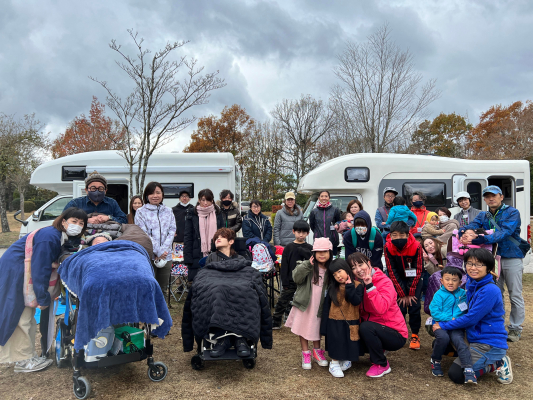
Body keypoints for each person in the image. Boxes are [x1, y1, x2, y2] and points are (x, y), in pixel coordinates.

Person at [0, 207, 88, 372]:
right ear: (63, 221)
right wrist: (42, 298)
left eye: (81, 223)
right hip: (17, 270)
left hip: (23, 269)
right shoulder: (50, 237)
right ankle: (23, 360)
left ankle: (28, 355)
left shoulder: (60, 236)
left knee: (28, 316)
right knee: (21, 315)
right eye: (74, 221)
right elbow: (40, 268)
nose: (77, 225)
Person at [434, 248, 513, 385]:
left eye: (478, 264)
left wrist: (443, 324)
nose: (473, 268)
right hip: (472, 334)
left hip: (487, 342)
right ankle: (473, 356)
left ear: (488, 267)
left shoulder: (490, 290)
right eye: (469, 263)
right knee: (441, 342)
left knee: (457, 375)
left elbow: (471, 318)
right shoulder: (471, 282)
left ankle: (498, 363)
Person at [460, 185, 526, 342]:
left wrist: (484, 239)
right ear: (484, 199)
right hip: (492, 259)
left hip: (511, 256)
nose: (491, 198)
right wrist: (462, 232)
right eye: (487, 196)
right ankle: (498, 325)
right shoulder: (483, 215)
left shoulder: (512, 212)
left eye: (494, 195)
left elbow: (506, 232)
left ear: (501, 197)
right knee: (496, 292)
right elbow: (472, 225)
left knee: (515, 294)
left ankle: (515, 328)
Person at [349, 253, 408, 378]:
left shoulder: (384, 281)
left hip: (395, 333)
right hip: (375, 329)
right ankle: (378, 349)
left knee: (366, 327)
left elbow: (381, 309)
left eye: (361, 264)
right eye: (354, 267)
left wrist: (370, 287)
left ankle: (381, 364)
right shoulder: (357, 284)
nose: (358, 270)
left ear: (369, 263)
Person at [285, 238, 332, 370]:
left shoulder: (331, 269)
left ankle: (317, 351)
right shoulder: (307, 265)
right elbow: (296, 278)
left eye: (325, 251)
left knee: (317, 327)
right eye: (318, 251)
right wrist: (307, 265)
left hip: (320, 305)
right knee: (303, 327)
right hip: (305, 304)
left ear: (330, 253)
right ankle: (305, 353)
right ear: (313, 253)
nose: (322, 254)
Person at [429, 267, 476, 383]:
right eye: (447, 279)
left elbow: (464, 310)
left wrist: (456, 320)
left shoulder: (463, 294)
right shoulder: (439, 295)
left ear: (460, 283)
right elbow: (434, 311)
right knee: (443, 338)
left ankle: (468, 368)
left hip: (456, 325)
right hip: (440, 324)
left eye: (454, 280)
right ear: (441, 281)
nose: (450, 282)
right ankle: (435, 360)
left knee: (459, 340)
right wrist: (450, 318)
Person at [384, 221, 424, 350]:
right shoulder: (388, 247)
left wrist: (410, 292)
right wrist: (402, 294)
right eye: (394, 235)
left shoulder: (416, 246)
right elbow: (392, 271)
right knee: (399, 307)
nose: (398, 238)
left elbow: (418, 269)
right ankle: (400, 333)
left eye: (402, 235)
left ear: (407, 234)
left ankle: (415, 335)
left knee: (414, 306)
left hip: (415, 279)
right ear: (390, 235)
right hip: (398, 279)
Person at [320, 259, 363, 378]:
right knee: (336, 342)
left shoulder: (357, 286)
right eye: (334, 274)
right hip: (334, 321)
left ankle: (347, 359)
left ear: (346, 269)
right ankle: (334, 363)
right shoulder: (332, 288)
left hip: (352, 320)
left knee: (349, 341)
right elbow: (326, 307)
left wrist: (349, 287)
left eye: (339, 271)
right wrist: (324, 327)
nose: (338, 276)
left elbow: (356, 301)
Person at [135, 182, 176, 293]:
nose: (155, 196)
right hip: (149, 255)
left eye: (158, 192)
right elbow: (144, 233)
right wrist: (158, 251)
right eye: (152, 193)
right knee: (148, 288)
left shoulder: (168, 211)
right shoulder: (140, 212)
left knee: (162, 289)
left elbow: (172, 231)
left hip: (166, 256)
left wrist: (163, 251)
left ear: (162, 194)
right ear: (147, 195)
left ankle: (161, 306)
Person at [272, 220, 313, 329]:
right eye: (299, 232)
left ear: (308, 233)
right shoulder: (288, 247)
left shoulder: (310, 248)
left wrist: (303, 251)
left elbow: (312, 261)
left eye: (304, 232)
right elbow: (284, 266)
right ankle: (276, 321)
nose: (301, 235)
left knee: (303, 301)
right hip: (290, 281)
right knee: (282, 301)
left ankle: (300, 321)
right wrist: (284, 282)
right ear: (293, 231)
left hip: (305, 281)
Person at [183, 189, 225, 282]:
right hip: (196, 253)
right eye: (203, 200)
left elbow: (223, 234)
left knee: (215, 283)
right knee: (197, 283)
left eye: (208, 200)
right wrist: (188, 258)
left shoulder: (218, 213)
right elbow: (188, 237)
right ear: (199, 200)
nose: (205, 203)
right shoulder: (192, 213)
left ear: (212, 200)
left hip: (215, 253)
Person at [308, 191, 341, 255]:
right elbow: (312, 226)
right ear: (318, 198)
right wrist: (317, 233)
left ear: (329, 198)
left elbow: (339, 221)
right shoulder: (313, 211)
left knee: (333, 259)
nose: (324, 198)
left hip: (332, 240)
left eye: (326, 196)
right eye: (322, 196)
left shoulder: (335, 210)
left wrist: (337, 225)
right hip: (319, 241)